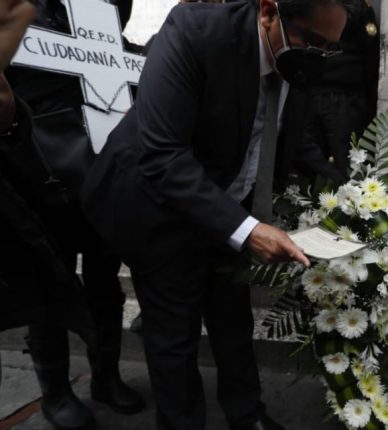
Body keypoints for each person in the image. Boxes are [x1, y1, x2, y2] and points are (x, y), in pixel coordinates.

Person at [80, 0, 351, 429]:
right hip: (156, 205)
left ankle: (247, 415)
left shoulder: (298, 62)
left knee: (232, 318)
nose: (318, 55)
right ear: (269, 12)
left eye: (329, 48)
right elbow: (163, 155)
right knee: (174, 333)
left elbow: (294, 139)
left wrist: (352, 196)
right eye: (312, 41)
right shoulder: (194, 33)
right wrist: (248, 230)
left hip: (228, 207)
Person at [5, 1, 147, 428]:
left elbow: (116, 47)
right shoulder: (21, 14)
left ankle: (106, 377)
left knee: (106, 283)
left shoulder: (100, 8)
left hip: (100, 169)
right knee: (47, 289)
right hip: (39, 172)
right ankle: (56, 393)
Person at [0, 0, 94, 398]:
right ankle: (56, 391)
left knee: (102, 275)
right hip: (32, 164)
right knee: (47, 278)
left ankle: (106, 375)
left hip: (91, 157)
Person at [278, 0, 379, 183]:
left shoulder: (354, 7)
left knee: (345, 161)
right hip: (306, 89)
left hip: (343, 96)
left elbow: (370, 53)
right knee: (302, 154)